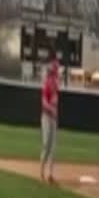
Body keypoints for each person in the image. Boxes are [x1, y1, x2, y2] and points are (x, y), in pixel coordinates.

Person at [38, 54, 61, 185]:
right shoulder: (47, 83)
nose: (56, 73)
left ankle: (50, 174)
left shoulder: (56, 85)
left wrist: (55, 111)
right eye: (55, 70)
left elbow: (55, 101)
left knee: (53, 146)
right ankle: (41, 170)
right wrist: (51, 109)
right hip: (46, 116)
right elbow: (44, 102)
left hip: (53, 117)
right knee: (46, 143)